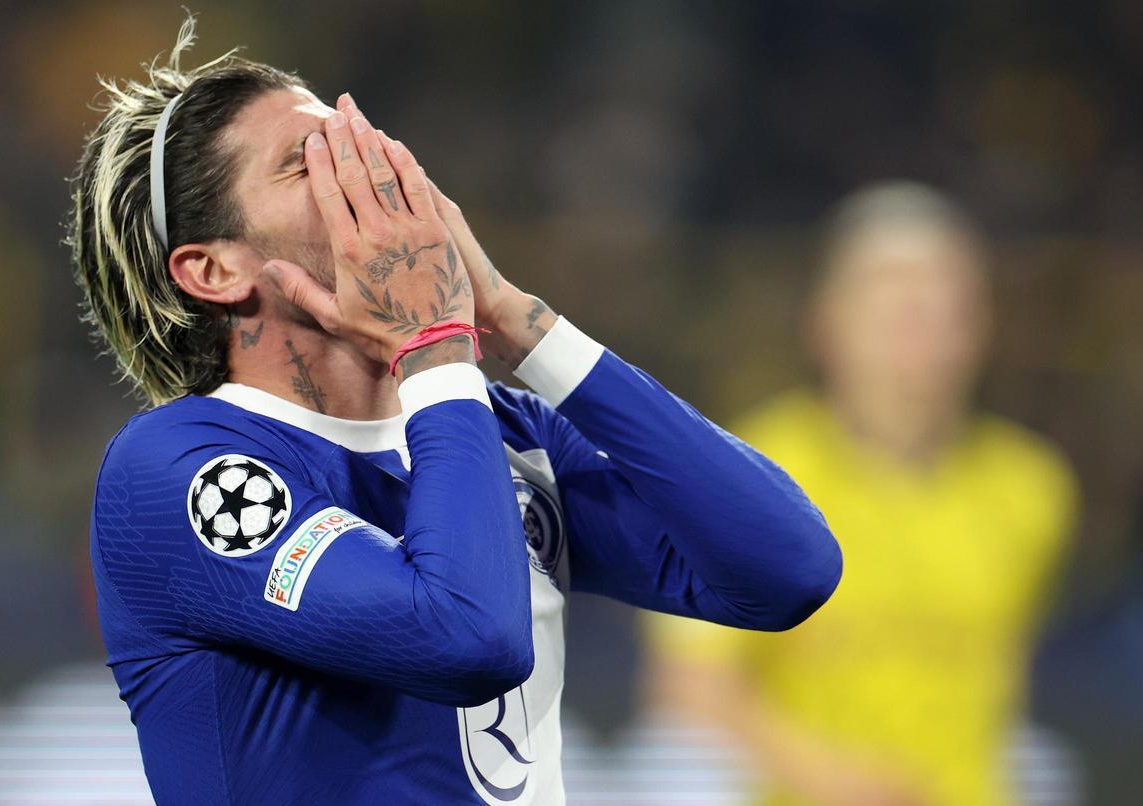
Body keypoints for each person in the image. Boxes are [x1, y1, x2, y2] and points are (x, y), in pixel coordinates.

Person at [68, 20, 841, 805]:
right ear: (214, 269)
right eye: (313, 163)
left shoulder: (496, 430)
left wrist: (515, 320)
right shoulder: (177, 468)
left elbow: (787, 572)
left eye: (361, 143)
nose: (376, 176)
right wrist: (435, 344)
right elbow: (467, 639)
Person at [646, 182, 1079, 806]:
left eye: (941, 308)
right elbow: (689, 685)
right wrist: (827, 778)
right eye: (895, 308)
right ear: (825, 323)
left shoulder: (1033, 489)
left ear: (979, 327)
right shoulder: (743, 474)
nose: (919, 332)